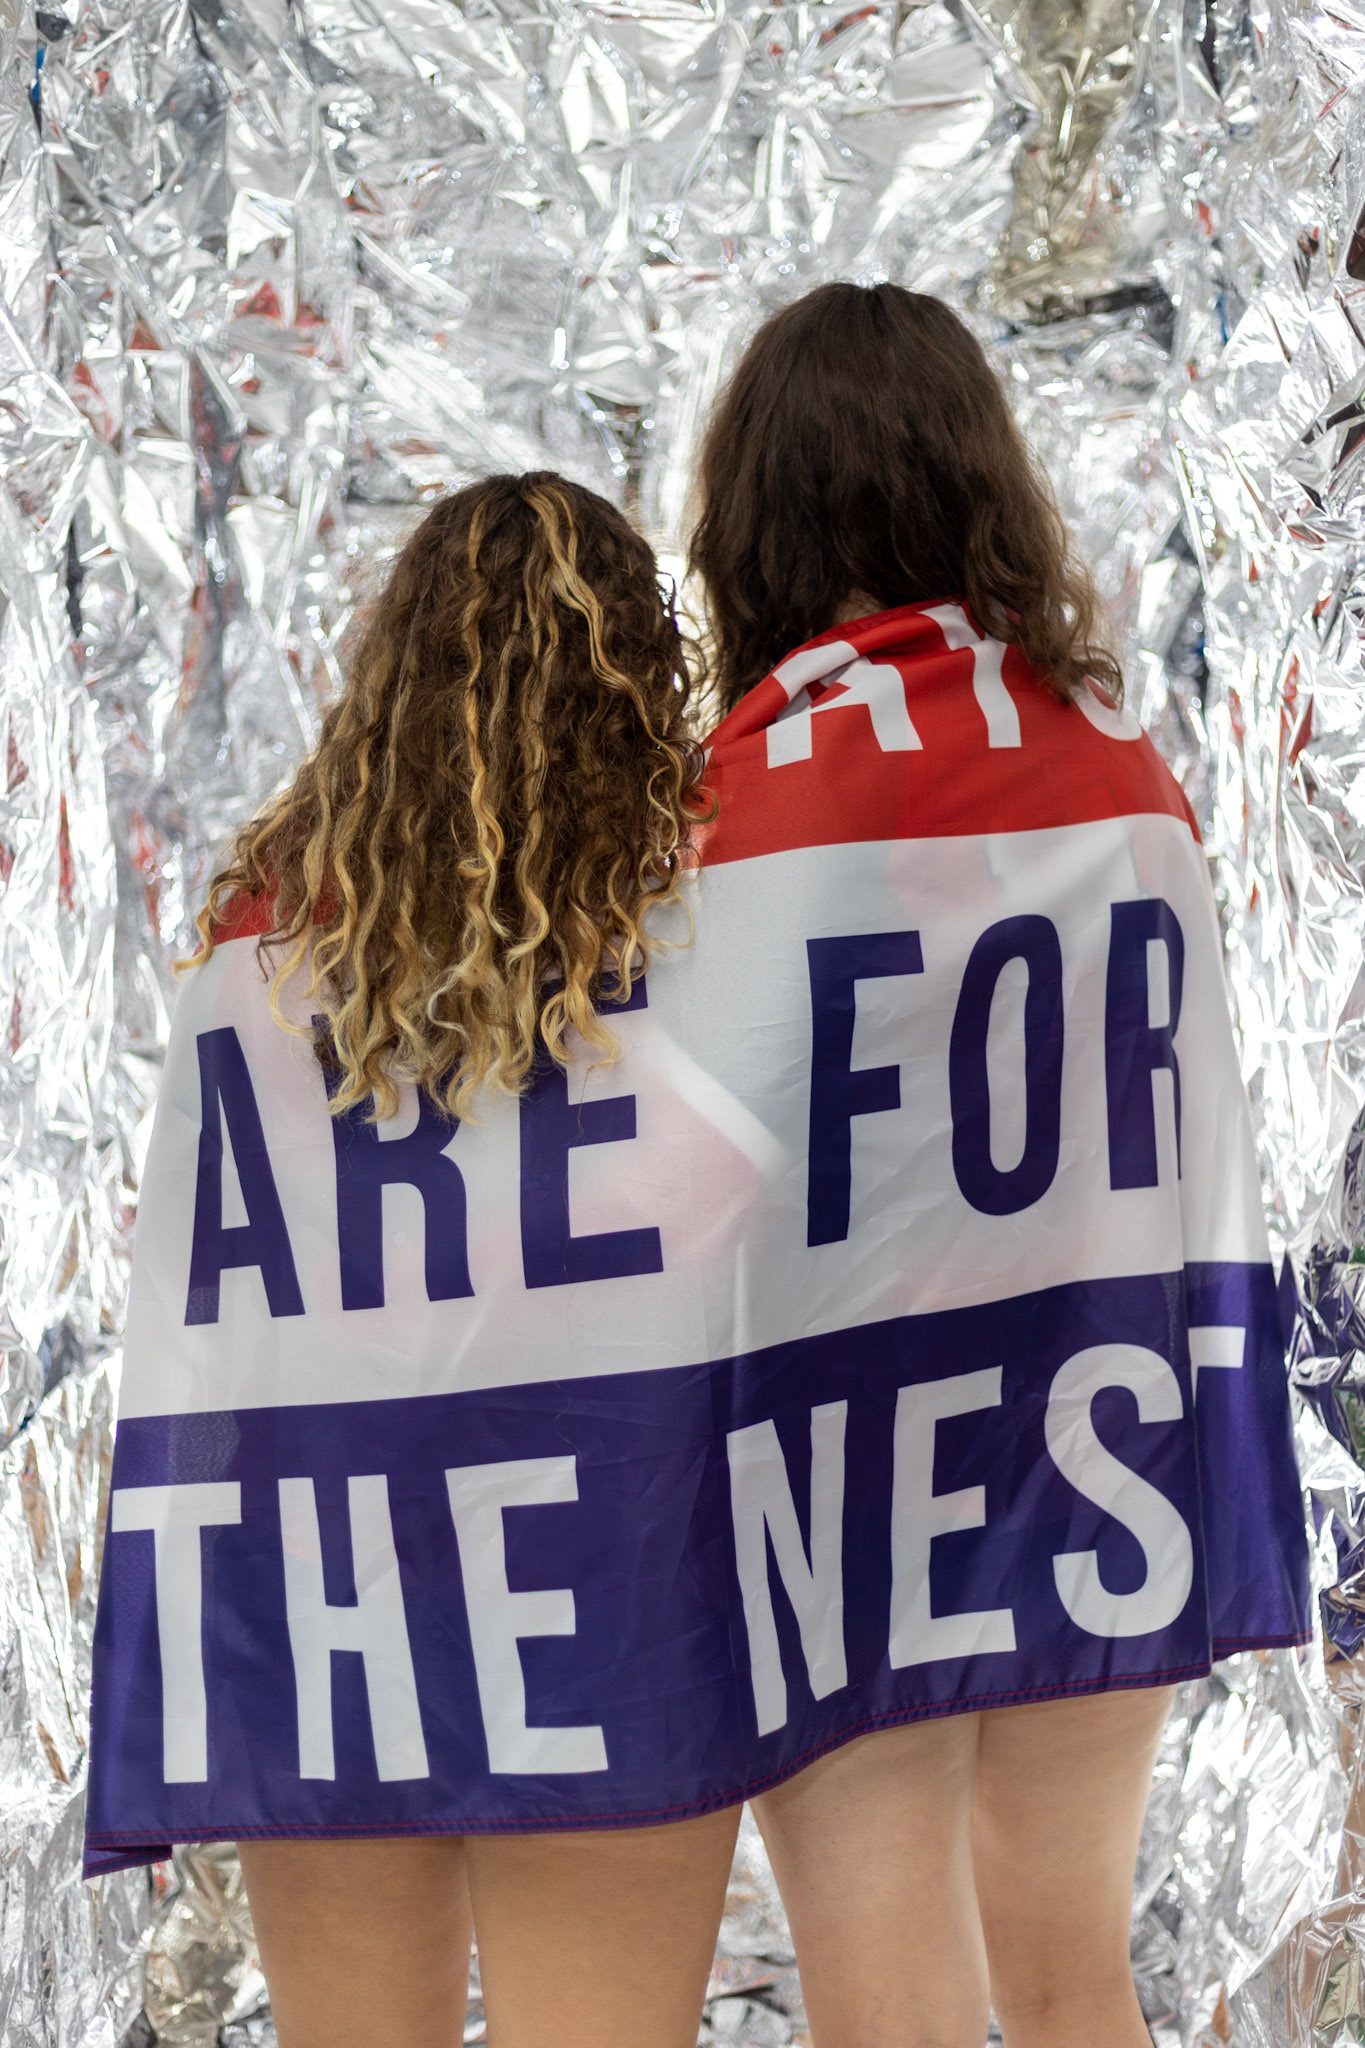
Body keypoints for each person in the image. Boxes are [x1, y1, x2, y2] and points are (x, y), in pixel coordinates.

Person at [84, 298, 1308, 2048]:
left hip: (385, 1564)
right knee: (1056, 1977)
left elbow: (201, 1291)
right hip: (1032, 1451)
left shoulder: (271, 941)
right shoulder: (1108, 781)